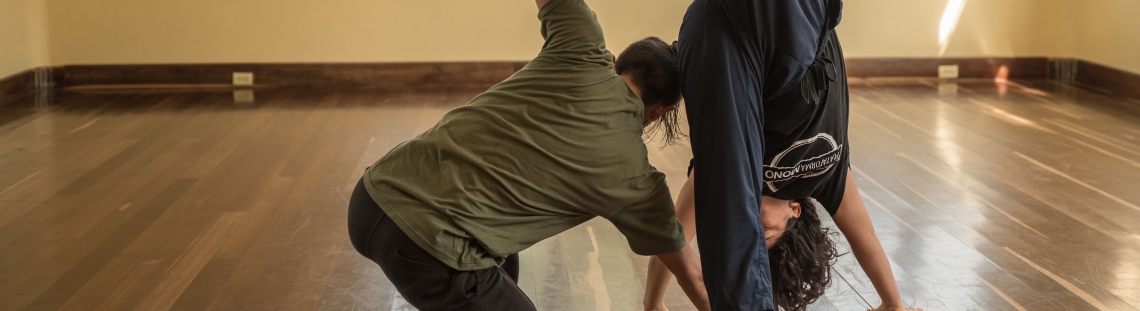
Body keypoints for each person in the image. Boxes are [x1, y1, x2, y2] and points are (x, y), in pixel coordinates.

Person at [346, 0, 711, 310]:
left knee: (505, 268)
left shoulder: (582, 47)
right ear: (660, 111)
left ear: (617, 62)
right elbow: (693, 277)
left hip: (372, 195)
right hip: (425, 246)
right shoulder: (635, 180)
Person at [643, 0, 922, 310]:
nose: (754, 227)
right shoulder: (826, 182)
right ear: (795, 211)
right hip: (804, 30)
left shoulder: (735, 176)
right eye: (767, 232)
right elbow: (866, 240)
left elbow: (674, 235)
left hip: (735, 35)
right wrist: (892, 302)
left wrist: (653, 303)